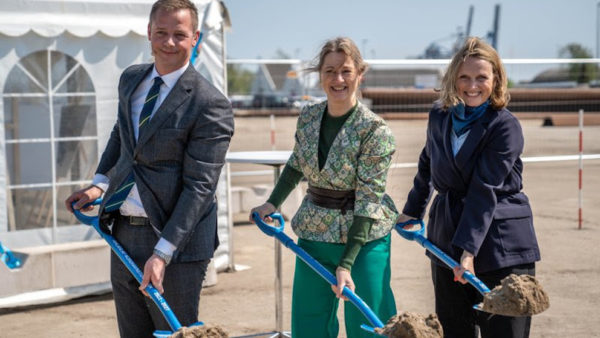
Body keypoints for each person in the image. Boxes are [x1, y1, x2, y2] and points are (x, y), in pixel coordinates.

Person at [64, 0, 234, 336]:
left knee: (172, 333)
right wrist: (99, 183)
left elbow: (200, 187)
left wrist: (162, 253)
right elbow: (122, 135)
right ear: (148, 33)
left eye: (179, 35)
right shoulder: (131, 80)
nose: (169, 42)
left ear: (195, 37)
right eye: (162, 33)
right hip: (123, 230)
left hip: (176, 243)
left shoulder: (210, 103)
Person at [250, 37, 398, 338]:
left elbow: (369, 201)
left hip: (364, 241)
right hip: (315, 231)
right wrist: (272, 203)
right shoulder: (308, 117)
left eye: (345, 70)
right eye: (329, 71)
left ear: (359, 74)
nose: (338, 79)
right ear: (320, 75)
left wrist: (347, 264)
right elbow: (296, 165)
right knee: (309, 325)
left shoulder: (375, 130)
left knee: (368, 327)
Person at [397, 37, 540, 338]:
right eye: (464, 77)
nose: (472, 85)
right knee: (454, 330)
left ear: (496, 80)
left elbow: (484, 188)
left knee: (504, 332)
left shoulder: (504, 126)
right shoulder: (440, 116)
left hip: (500, 246)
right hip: (446, 240)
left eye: (481, 77)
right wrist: (412, 211)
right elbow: (427, 163)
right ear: (453, 79)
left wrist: (468, 252)